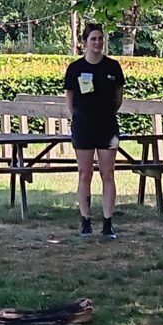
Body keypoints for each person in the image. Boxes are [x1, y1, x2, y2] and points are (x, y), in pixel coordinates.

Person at [63, 23, 126, 240]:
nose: (97, 43)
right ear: (85, 42)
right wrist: (82, 116)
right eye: (93, 39)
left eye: (100, 38)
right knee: (85, 173)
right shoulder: (75, 69)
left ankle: (108, 223)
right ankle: (85, 220)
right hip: (83, 126)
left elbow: (118, 98)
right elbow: (70, 101)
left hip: (107, 126)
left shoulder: (113, 67)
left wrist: (105, 113)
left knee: (108, 173)